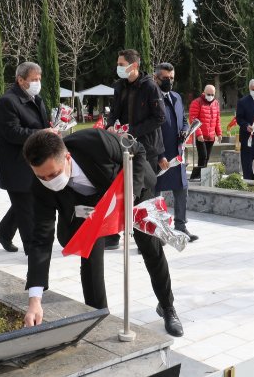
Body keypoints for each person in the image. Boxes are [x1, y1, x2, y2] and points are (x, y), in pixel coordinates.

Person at [22, 129, 184, 337]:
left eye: (53, 174)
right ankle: (98, 316)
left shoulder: (96, 142)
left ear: (67, 157)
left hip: (128, 188)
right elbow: (41, 239)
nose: (49, 181)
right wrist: (34, 300)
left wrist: (130, 197)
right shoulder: (40, 185)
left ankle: (167, 306)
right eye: (42, 176)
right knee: (89, 258)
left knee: (150, 248)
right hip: (88, 206)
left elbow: (138, 150)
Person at [105, 49, 166, 250]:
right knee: (119, 190)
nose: (119, 68)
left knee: (144, 192)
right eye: (118, 64)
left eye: (122, 65)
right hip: (122, 147)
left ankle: (146, 238)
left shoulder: (150, 87)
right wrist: (111, 125)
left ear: (134, 66)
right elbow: (114, 111)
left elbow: (159, 118)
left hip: (146, 148)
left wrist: (132, 131)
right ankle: (114, 234)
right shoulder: (119, 86)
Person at [0, 61, 50, 254]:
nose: (37, 82)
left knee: (25, 202)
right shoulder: (7, 102)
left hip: (34, 161)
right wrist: (42, 133)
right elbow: (12, 132)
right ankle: (32, 249)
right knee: (27, 208)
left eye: (39, 79)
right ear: (20, 80)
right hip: (16, 164)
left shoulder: (36, 98)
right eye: (33, 79)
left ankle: (3, 233)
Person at [154, 63, 197, 242]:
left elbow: (184, 119)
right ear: (156, 78)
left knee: (182, 189)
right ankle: (156, 232)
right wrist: (159, 155)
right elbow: (151, 130)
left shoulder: (177, 97)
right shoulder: (151, 98)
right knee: (155, 194)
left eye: (172, 78)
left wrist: (185, 130)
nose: (169, 81)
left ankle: (180, 225)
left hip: (177, 154)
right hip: (159, 155)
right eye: (165, 78)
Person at [188, 84, 222, 180]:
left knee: (206, 158)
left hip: (211, 136)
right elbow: (193, 119)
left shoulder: (216, 103)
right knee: (203, 156)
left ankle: (202, 176)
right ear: (204, 92)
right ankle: (196, 176)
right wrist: (198, 133)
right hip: (201, 136)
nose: (210, 96)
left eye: (212, 94)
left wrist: (219, 133)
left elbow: (217, 120)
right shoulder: (197, 102)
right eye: (208, 94)